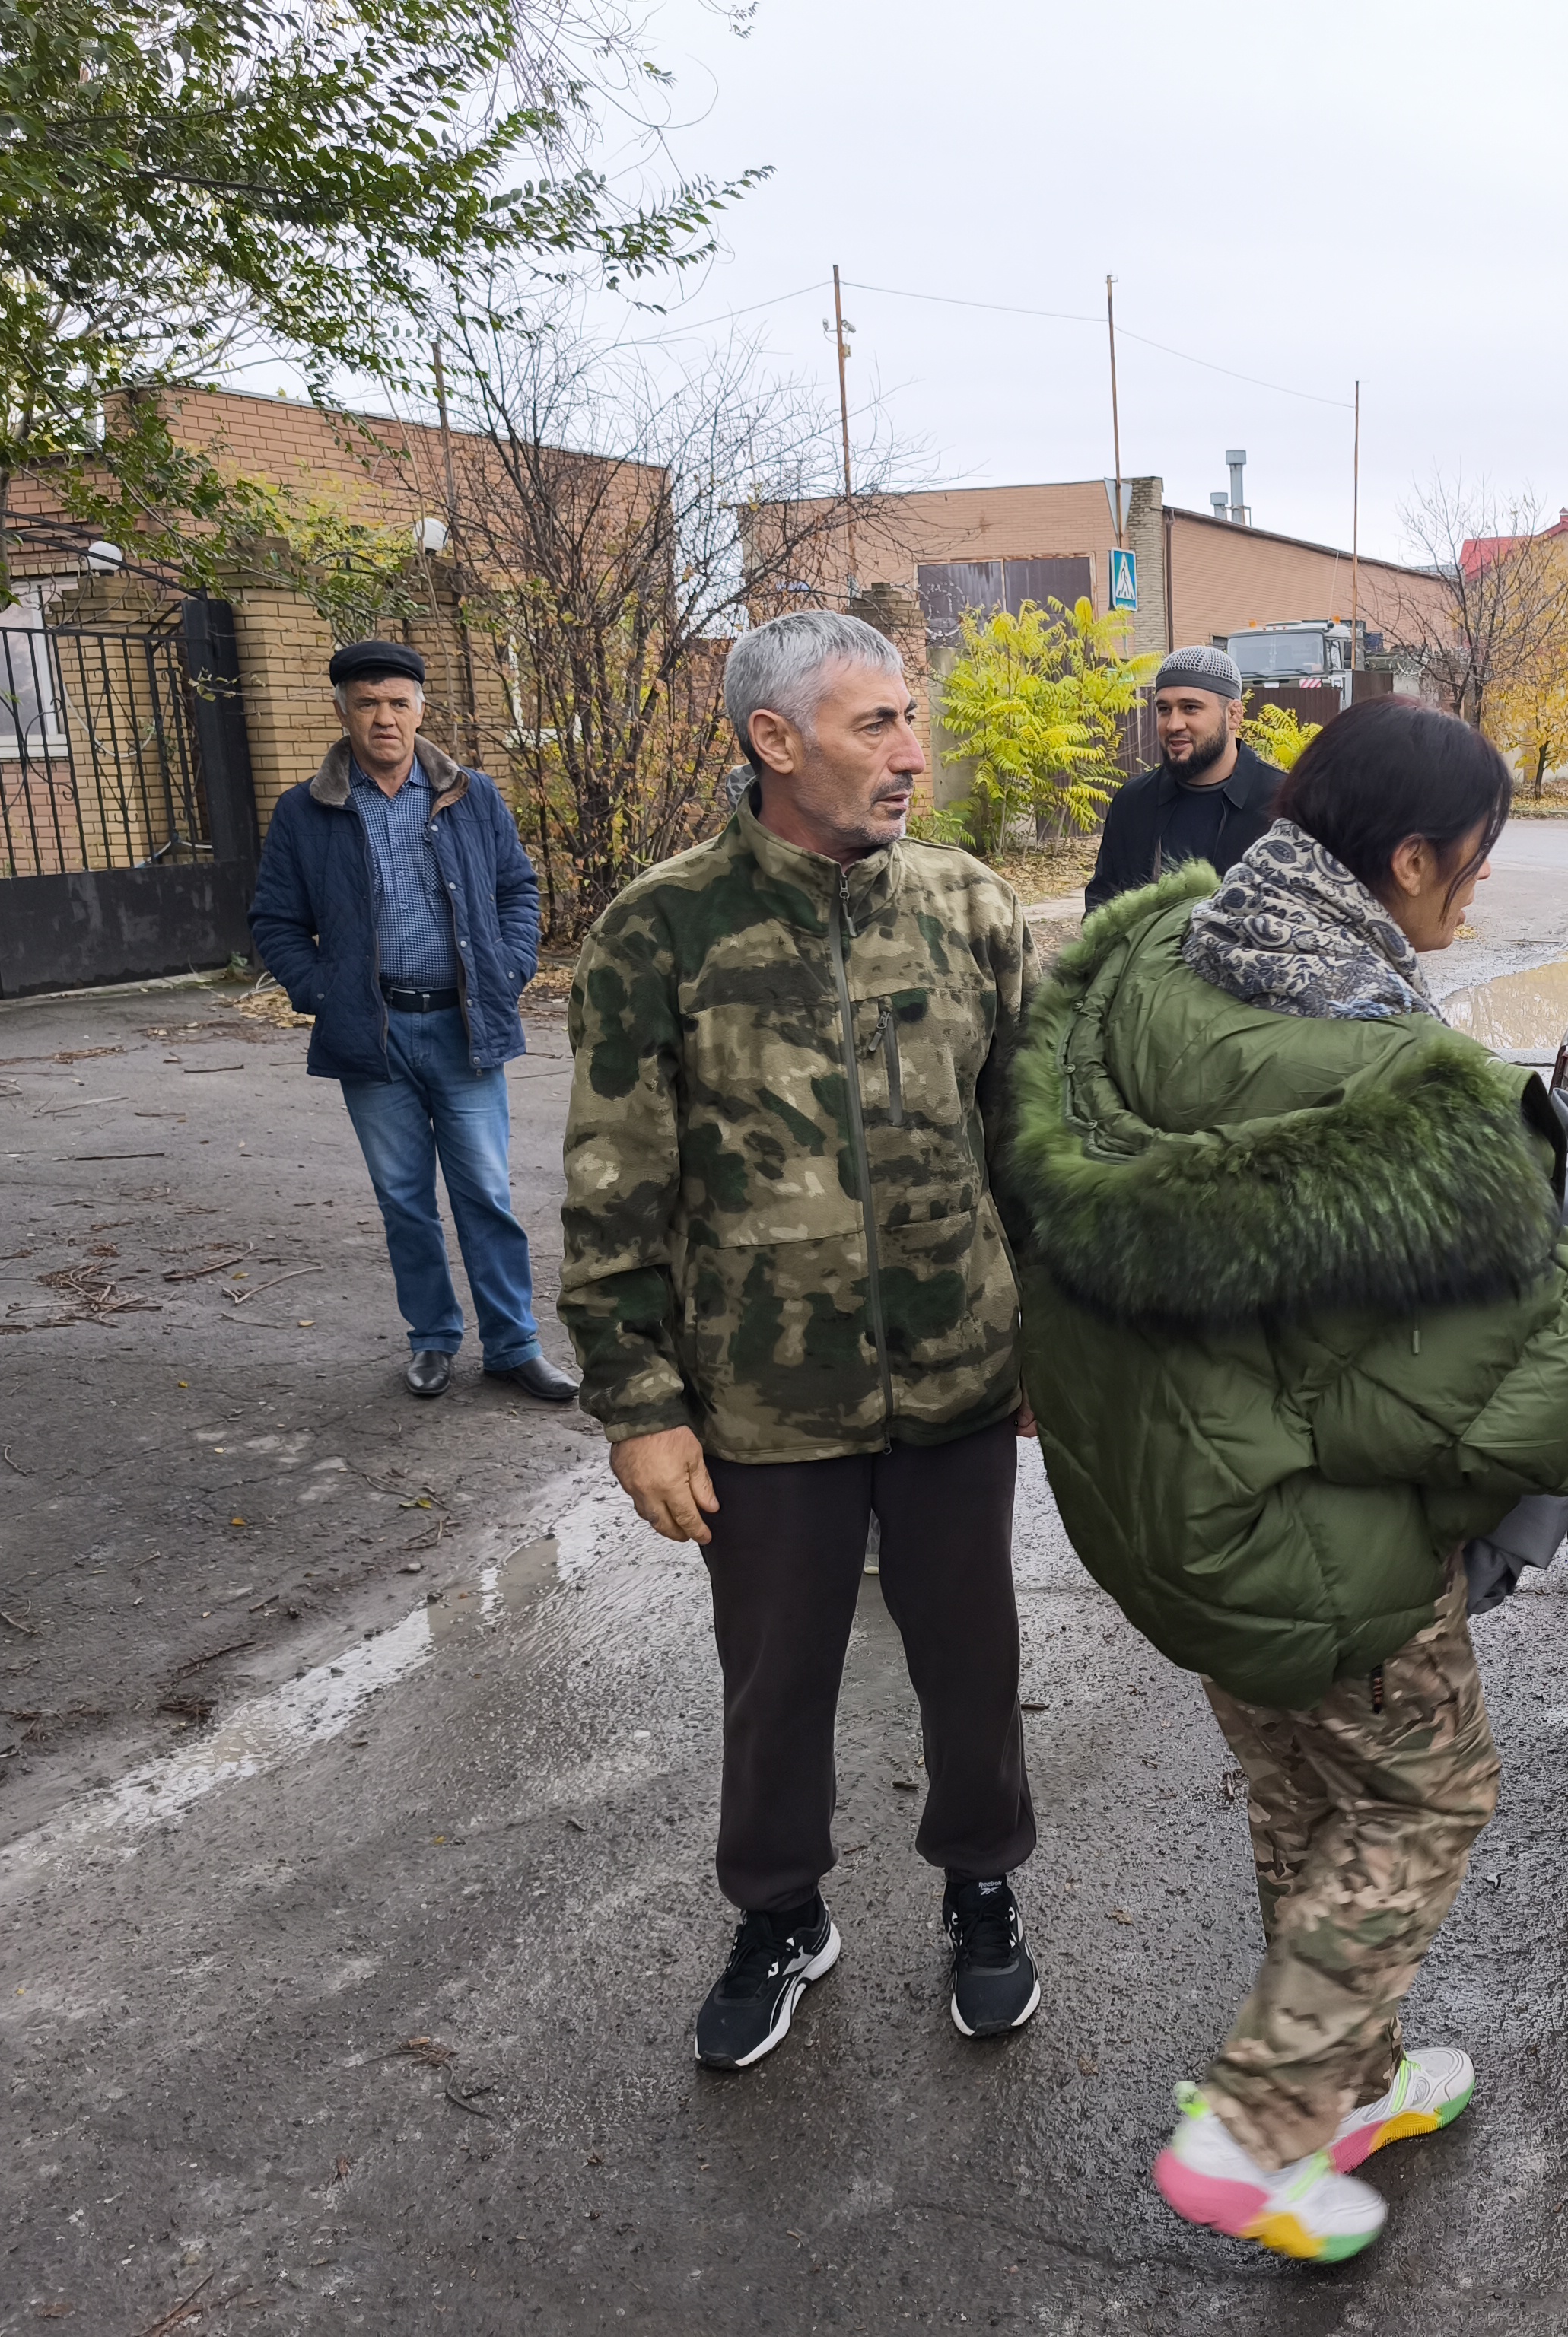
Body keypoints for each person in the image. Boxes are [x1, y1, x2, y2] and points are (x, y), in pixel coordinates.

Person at [1005, 698, 1568, 2259]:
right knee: (1421, 1792)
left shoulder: (1140, 982)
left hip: (1160, 1506)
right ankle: (1259, 2133)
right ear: (1404, 861)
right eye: (1470, 866)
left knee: (1299, 1791)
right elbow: (1507, 1389)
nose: (1471, 894)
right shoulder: (1398, 1092)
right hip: (1306, 1541)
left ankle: (1350, 2081)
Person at [560, 609, 1045, 2068]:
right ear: (775, 742)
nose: (913, 753)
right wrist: (638, 1400)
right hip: (763, 1394)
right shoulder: (664, 926)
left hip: (961, 1375)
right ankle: (781, 1913)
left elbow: (1030, 1145)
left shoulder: (965, 905)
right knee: (775, 1678)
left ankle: (982, 1885)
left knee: (973, 1652)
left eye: (911, 720)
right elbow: (611, 1182)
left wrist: (1052, 1347)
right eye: (875, 725)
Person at [246, 640, 577, 1405]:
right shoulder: (307, 811)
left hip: (465, 1026)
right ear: (343, 712)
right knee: (402, 1198)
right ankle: (432, 1339)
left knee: (486, 1193)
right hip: (374, 1033)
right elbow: (275, 920)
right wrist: (322, 991)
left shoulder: (472, 794)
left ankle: (513, 1344)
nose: (384, 718)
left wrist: (509, 967)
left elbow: (516, 891)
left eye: (397, 702)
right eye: (367, 704)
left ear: (421, 708)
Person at [1080, 644, 1283, 911]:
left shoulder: (1285, 803)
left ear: (1234, 715)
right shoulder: (1135, 802)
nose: (1173, 724)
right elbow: (1102, 904)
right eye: (1164, 709)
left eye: (1190, 708)